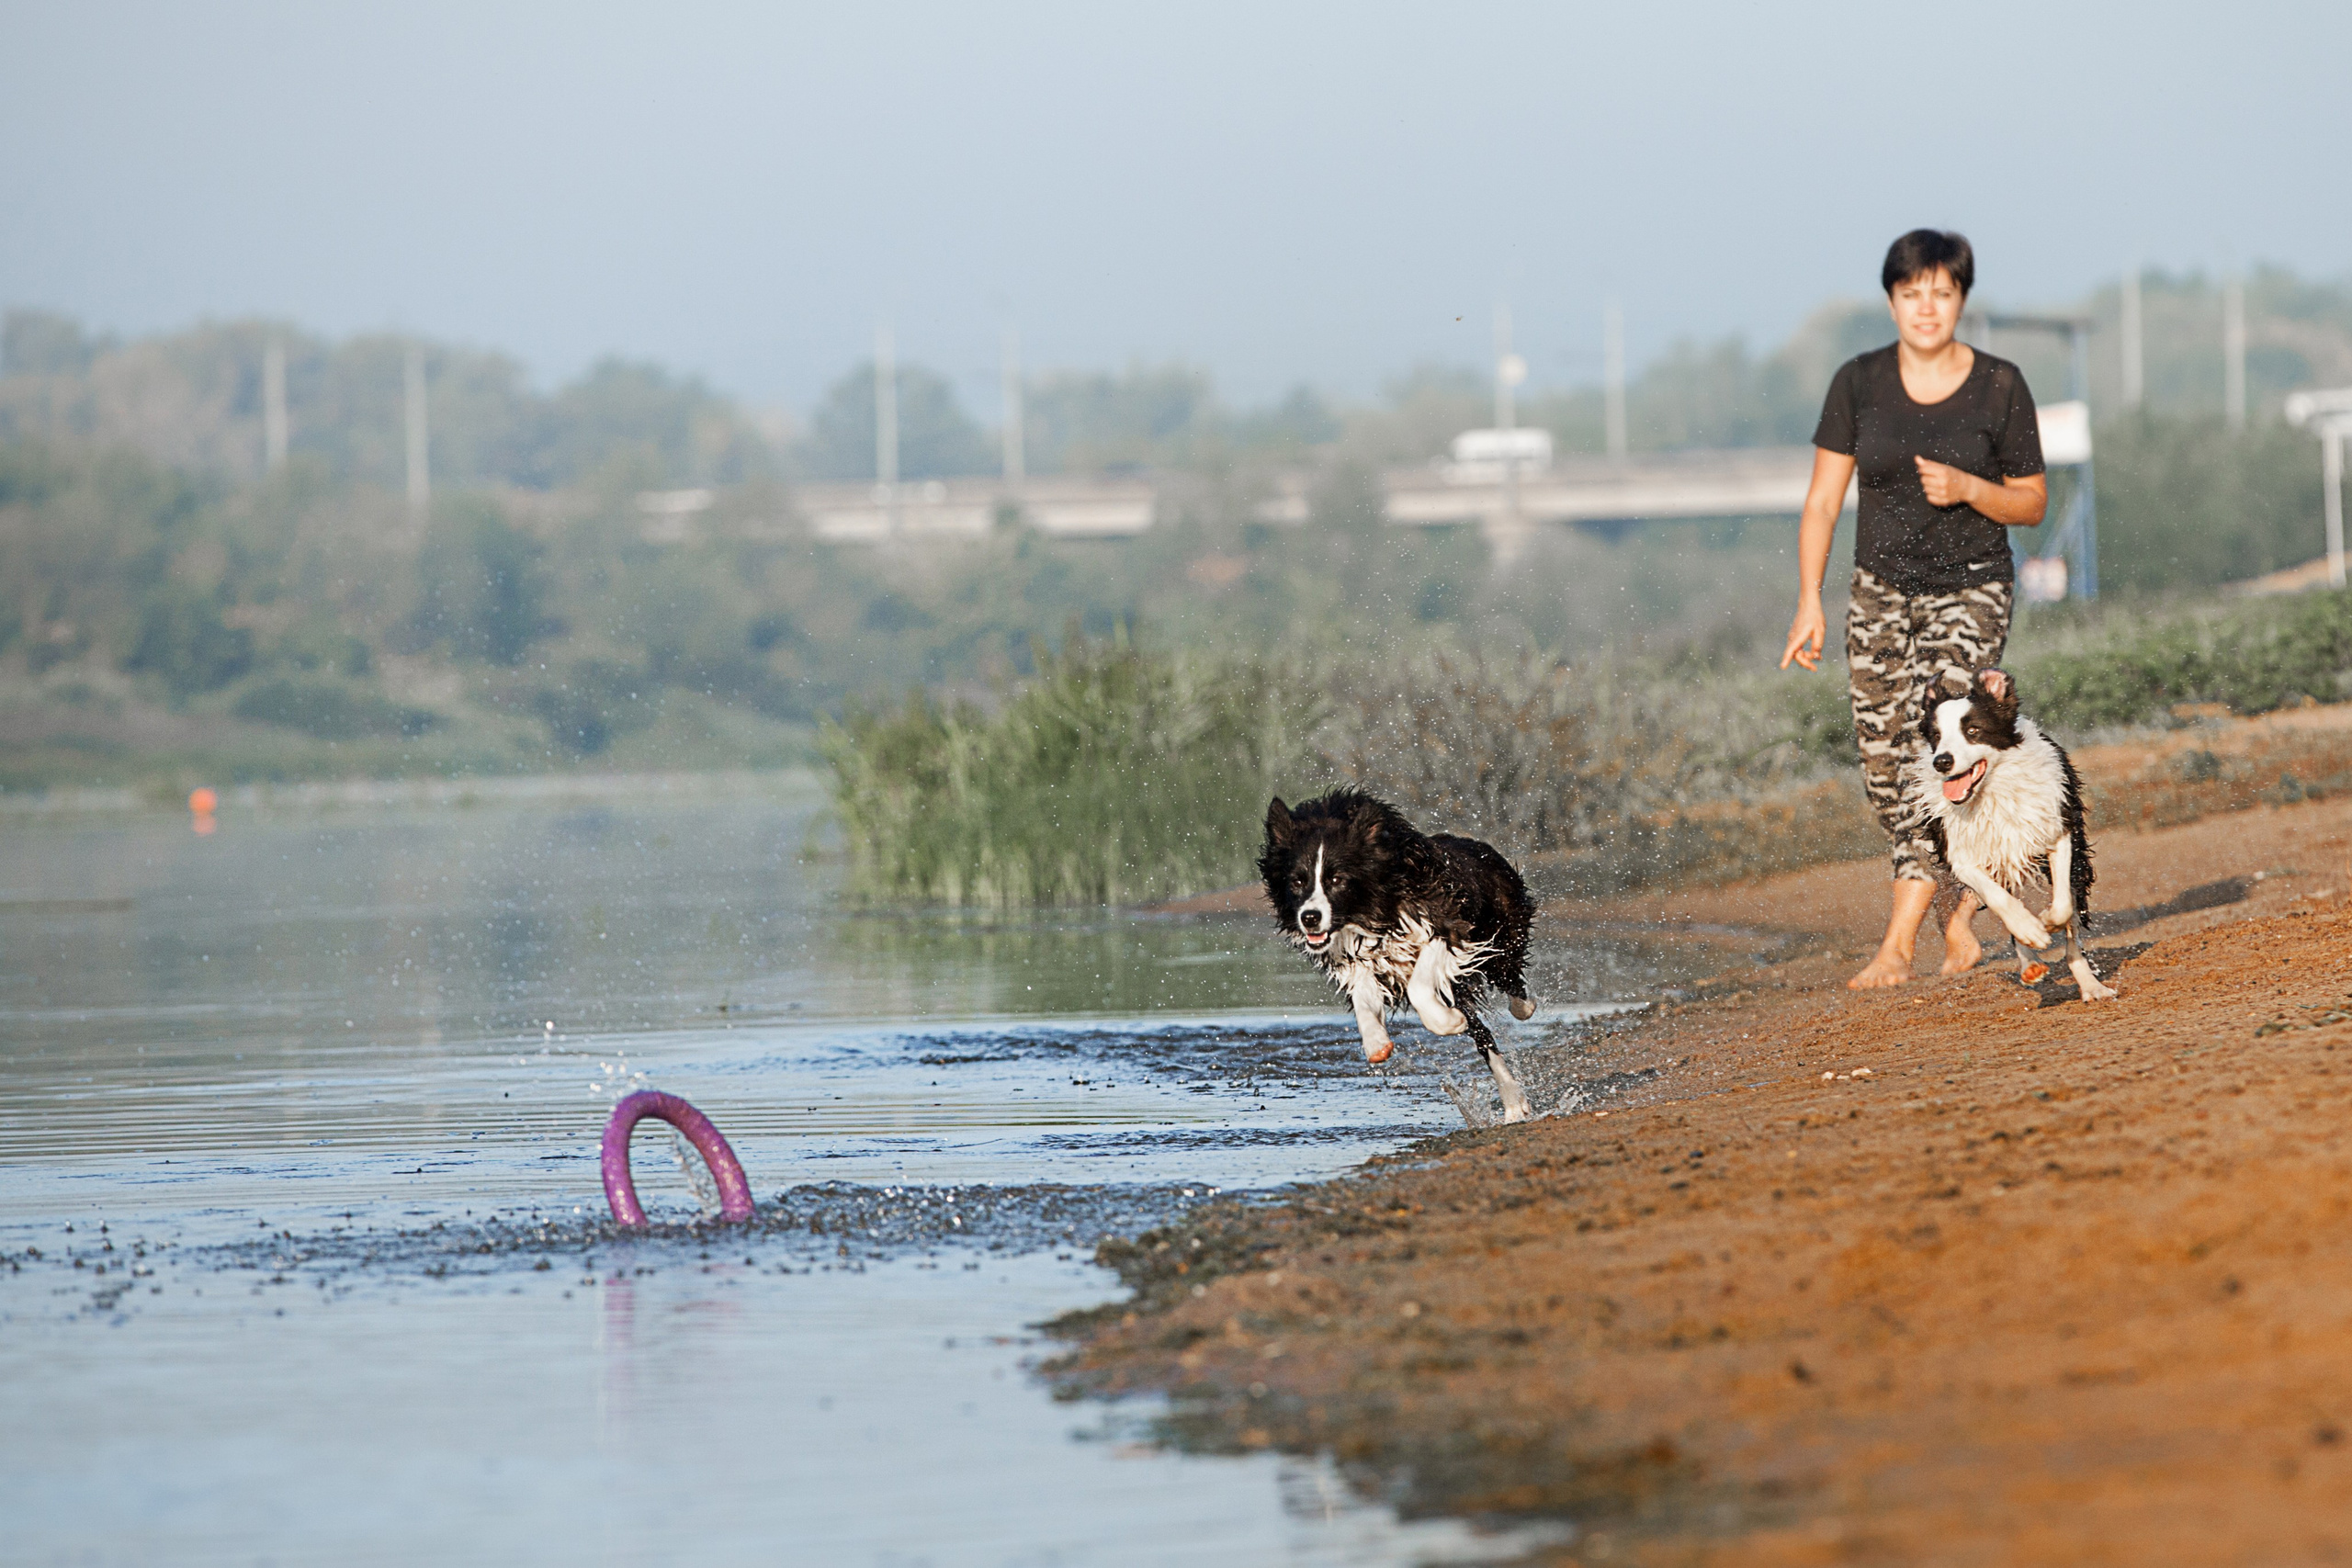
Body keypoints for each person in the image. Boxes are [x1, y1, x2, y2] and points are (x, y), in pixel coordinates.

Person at [1780, 230, 2049, 988]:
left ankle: (1898, 946)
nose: (1927, 308)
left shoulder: (1999, 385)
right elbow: (1823, 500)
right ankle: (1960, 918)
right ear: (1892, 300)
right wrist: (1810, 600)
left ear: (1962, 298)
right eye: (1911, 294)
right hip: (1879, 593)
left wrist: (1970, 489)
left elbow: (2031, 502)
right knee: (1886, 771)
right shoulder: (1859, 384)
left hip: (1972, 584)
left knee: (1939, 747)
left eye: (1942, 293)